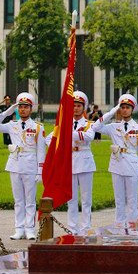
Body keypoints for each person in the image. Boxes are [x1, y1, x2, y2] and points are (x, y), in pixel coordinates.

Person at [0, 93, 44, 239]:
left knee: (30, 200)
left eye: (25, 107)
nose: (22, 110)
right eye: (20, 107)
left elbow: (41, 151)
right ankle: (19, 229)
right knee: (18, 200)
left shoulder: (37, 127)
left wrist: (40, 170)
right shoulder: (12, 125)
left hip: (30, 166)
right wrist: (8, 111)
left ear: (30, 109)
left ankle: (30, 229)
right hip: (14, 165)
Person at [45, 91, 96, 236]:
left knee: (86, 199)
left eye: (79, 106)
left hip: (85, 161)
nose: (76, 108)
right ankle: (72, 228)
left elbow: (88, 137)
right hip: (69, 162)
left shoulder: (88, 124)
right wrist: (61, 149)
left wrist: (67, 133)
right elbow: (49, 139)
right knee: (71, 199)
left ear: (84, 107)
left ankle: (86, 228)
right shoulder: (63, 124)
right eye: (73, 106)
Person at [95, 94, 138, 226]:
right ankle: (119, 225)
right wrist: (111, 112)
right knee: (119, 200)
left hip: (132, 164)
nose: (124, 110)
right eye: (122, 107)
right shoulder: (113, 127)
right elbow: (96, 127)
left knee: (132, 200)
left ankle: (132, 226)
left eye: (127, 107)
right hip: (117, 164)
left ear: (132, 109)